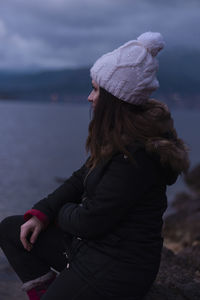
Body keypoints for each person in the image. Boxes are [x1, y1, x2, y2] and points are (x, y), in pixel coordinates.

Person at [0, 32, 190, 300]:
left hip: (119, 269)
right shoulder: (120, 136)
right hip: (90, 249)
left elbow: (89, 221)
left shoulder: (137, 156)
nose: (90, 97)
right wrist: (42, 212)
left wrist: (60, 212)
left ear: (115, 97)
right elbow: (81, 177)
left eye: (96, 89)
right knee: (11, 230)